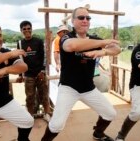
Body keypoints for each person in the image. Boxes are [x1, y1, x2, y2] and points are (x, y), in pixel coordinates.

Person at [41, 7, 121, 141]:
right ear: (72, 21)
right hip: (68, 88)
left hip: (88, 88)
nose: (85, 20)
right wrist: (103, 43)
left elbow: (117, 48)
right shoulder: (67, 37)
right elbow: (71, 46)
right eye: (81, 17)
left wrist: (103, 52)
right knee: (57, 125)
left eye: (88, 18)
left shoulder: (95, 39)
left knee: (110, 113)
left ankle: (98, 133)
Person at [16, 20, 52, 121]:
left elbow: (44, 57)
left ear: (31, 29)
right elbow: (19, 59)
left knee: (44, 95)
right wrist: (20, 74)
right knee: (29, 97)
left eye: (28, 28)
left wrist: (43, 71)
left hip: (40, 74)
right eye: (24, 29)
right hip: (28, 75)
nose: (27, 30)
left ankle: (47, 114)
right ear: (21, 31)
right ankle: (30, 116)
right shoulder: (20, 43)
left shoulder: (38, 41)